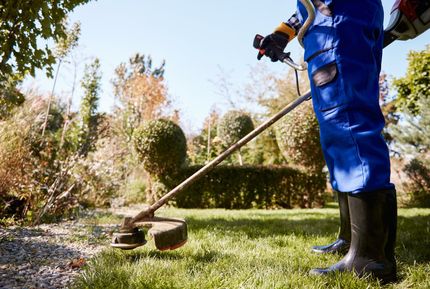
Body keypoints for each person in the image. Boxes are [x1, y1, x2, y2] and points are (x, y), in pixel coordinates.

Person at [257, 0, 397, 283]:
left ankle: (370, 257)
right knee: (336, 133)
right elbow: (306, 8)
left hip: (339, 20)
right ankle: (351, 240)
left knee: (347, 122)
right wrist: (282, 32)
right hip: (328, 22)